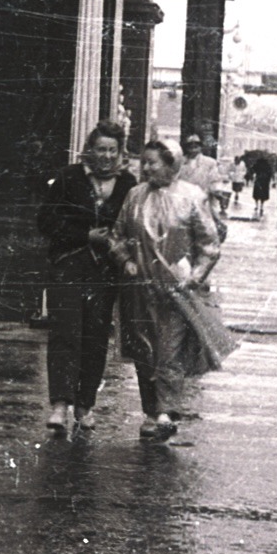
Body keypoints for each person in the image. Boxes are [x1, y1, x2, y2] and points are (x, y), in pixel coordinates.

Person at [109, 139, 223, 441]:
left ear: (171, 163)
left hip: (176, 292)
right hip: (139, 288)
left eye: (152, 162)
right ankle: (151, 410)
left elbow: (209, 245)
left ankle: (166, 411)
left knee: (169, 352)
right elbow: (117, 235)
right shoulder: (135, 196)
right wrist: (125, 261)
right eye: (143, 162)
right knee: (145, 352)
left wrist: (193, 277)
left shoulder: (191, 197)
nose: (146, 168)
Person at [35, 121, 137, 436]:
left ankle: (85, 405)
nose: (106, 156)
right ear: (90, 150)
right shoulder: (68, 177)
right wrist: (85, 235)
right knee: (65, 333)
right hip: (68, 264)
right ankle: (60, 406)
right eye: (100, 149)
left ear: (120, 152)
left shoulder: (128, 184)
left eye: (112, 150)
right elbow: (46, 220)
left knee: (94, 338)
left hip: (105, 271)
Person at [177, 134, 231, 227]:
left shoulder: (210, 163)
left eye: (196, 144)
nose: (193, 147)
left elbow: (214, 180)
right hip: (182, 203)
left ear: (201, 146)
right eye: (190, 145)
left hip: (203, 202)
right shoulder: (179, 162)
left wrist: (217, 190)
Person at [246, 151, 273, 218]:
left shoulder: (257, 163)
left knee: (257, 194)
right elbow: (270, 173)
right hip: (265, 181)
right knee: (263, 194)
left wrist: (251, 176)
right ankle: (261, 206)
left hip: (259, 180)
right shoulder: (267, 164)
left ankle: (257, 205)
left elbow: (252, 170)